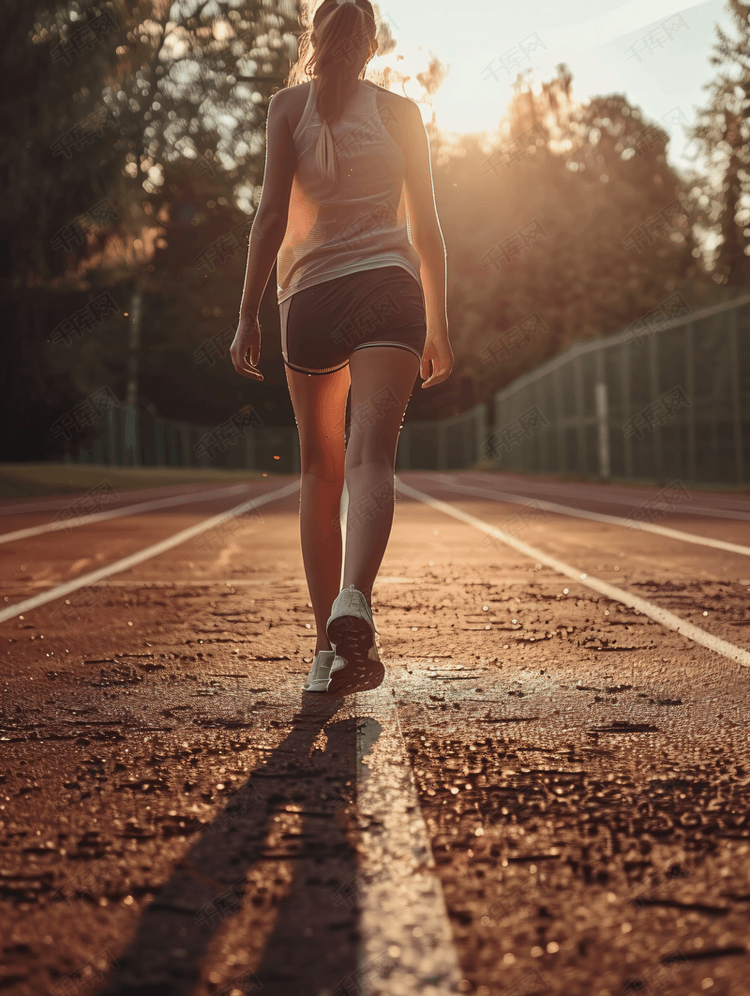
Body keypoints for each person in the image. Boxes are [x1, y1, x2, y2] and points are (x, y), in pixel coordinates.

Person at [231, 0, 453, 695]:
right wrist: (440, 325)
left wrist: (246, 317)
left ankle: (322, 648)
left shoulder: (287, 106)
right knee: (371, 459)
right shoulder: (402, 113)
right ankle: (355, 596)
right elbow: (429, 230)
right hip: (391, 292)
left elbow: (268, 217)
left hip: (311, 300)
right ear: (372, 47)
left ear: (314, 39)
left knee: (320, 472)